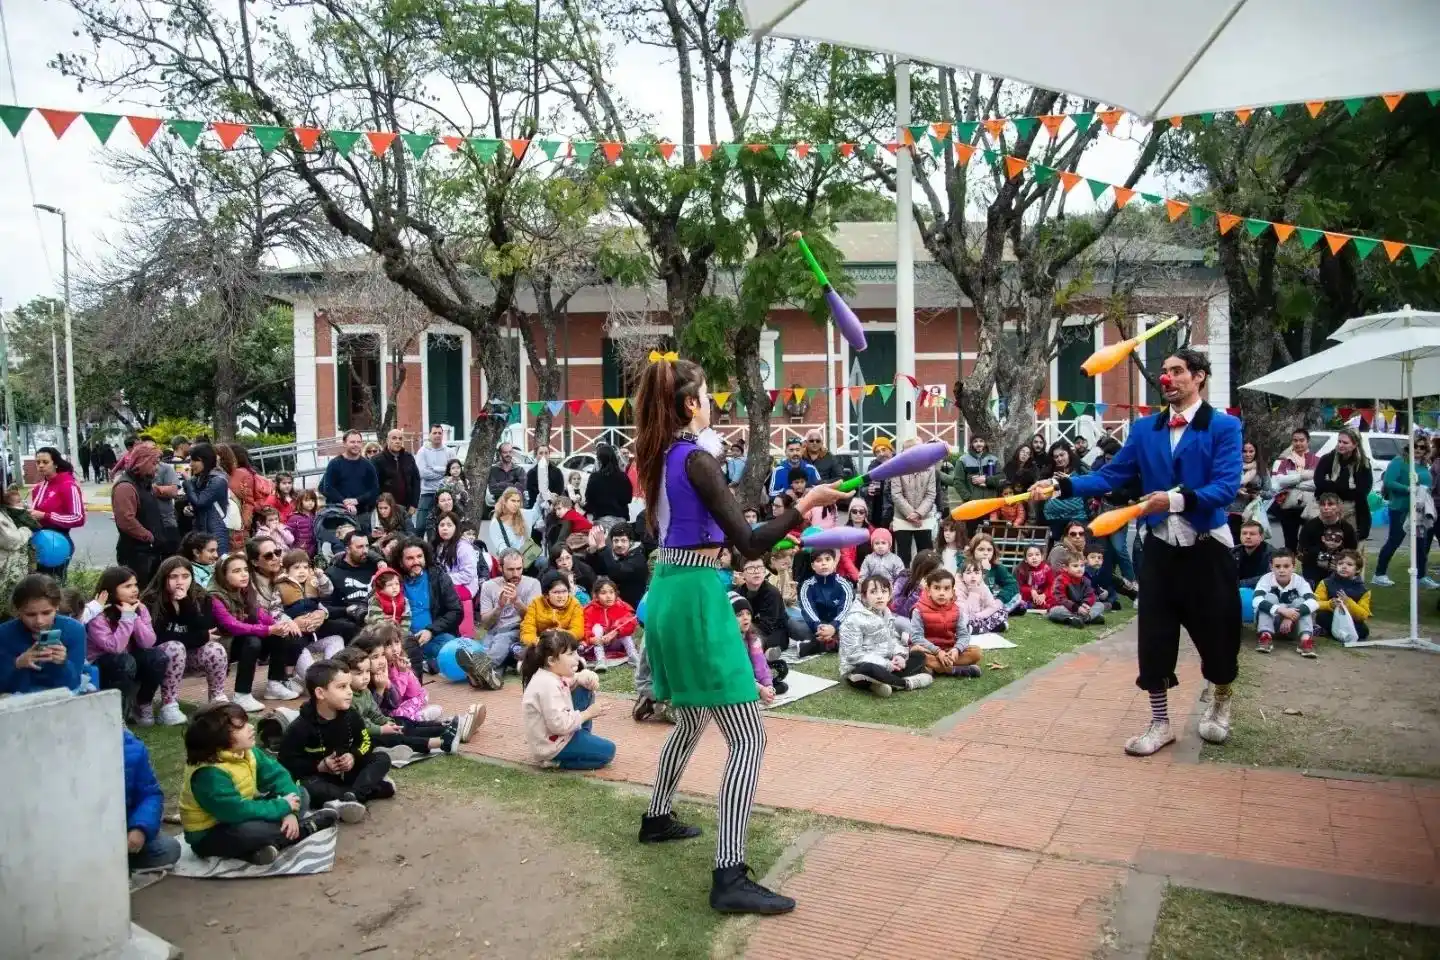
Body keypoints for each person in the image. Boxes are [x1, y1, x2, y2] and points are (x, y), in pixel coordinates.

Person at [631, 355, 845, 914]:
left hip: (672, 588)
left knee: (695, 715)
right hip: (697, 597)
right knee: (747, 736)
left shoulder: (663, 452)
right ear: (689, 404)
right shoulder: (697, 457)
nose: (712, 402)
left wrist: (777, 529)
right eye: (705, 394)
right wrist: (804, 506)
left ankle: (656, 817)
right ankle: (730, 875)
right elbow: (750, 542)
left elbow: (721, 534)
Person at [1033, 348, 1242, 756]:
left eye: (1177, 371)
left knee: (1218, 636)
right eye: (1164, 372)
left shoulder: (1223, 427)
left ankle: (1220, 699)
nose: (1167, 378)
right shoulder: (1145, 429)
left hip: (1207, 549)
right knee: (1154, 638)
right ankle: (1160, 722)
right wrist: (1062, 485)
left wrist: (1175, 500)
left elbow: (1226, 487)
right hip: (1159, 549)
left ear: (1199, 377)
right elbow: (1113, 475)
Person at [180, 701, 343, 864]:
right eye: (242, 726)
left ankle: (262, 849)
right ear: (219, 738)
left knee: (301, 793)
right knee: (249, 833)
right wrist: (282, 807)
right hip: (211, 833)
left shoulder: (248, 751)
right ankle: (307, 828)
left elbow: (278, 776)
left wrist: (288, 812)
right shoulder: (208, 773)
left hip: (243, 813)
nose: (251, 727)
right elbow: (235, 811)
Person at [278, 659, 396, 807]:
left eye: (349, 685)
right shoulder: (300, 727)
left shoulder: (351, 715)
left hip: (347, 773)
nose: (349, 692)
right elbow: (286, 764)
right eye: (342, 687)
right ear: (320, 693)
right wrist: (319, 766)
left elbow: (365, 742)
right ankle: (362, 792)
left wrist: (353, 756)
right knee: (310, 789)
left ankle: (352, 796)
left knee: (382, 758)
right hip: (319, 777)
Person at [331, 646, 469, 756]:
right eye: (359, 674)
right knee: (393, 737)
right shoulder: (348, 697)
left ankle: (446, 730)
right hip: (363, 737)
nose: (366, 677)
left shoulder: (364, 691)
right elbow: (361, 724)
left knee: (401, 723)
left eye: (367, 672)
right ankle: (441, 742)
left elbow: (374, 713)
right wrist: (382, 729)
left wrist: (386, 722)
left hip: (376, 727)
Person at [209, 553, 302, 713]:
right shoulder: (214, 596)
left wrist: (279, 626)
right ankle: (242, 694)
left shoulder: (244, 591)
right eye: (236, 571)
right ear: (223, 575)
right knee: (253, 641)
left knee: (279, 634)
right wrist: (267, 630)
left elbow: (260, 614)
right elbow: (232, 626)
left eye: (245, 569)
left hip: (240, 639)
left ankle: (275, 684)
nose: (244, 574)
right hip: (221, 643)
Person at [145, 555, 223, 720]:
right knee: (175, 647)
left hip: (191, 656)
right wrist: (199, 636)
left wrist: (186, 604)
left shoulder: (202, 597)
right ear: (164, 578)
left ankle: (216, 700)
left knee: (216, 649)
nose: (180, 582)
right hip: (161, 659)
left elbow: (206, 628)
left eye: (185, 576)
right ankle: (169, 705)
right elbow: (157, 637)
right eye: (173, 577)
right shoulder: (152, 600)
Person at [85, 566, 166, 723]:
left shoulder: (139, 608)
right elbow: (115, 647)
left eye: (135, 585)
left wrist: (133, 616)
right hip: (103, 663)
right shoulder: (99, 614)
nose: (134, 590)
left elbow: (148, 642)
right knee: (124, 661)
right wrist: (127, 617)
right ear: (110, 590)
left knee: (158, 657)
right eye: (127, 586)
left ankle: (143, 705)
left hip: (128, 659)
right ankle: (118, 716)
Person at [839, 575, 932, 696]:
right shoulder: (853, 619)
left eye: (884, 591)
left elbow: (893, 640)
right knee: (870, 669)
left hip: (888, 664)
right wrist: (886, 664)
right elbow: (853, 655)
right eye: (873, 592)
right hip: (859, 668)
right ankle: (906, 683)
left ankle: (880, 684)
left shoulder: (886, 613)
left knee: (918, 656)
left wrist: (900, 656)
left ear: (889, 595)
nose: (879, 596)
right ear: (864, 596)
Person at [388, 537, 465, 678]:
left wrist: (431, 631)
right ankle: (425, 664)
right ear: (400, 561)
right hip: (403, 639)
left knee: (460, 652)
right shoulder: (392, 580)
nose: (416, 561)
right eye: (410, 558)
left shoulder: (439, 577)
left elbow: (456, 611)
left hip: (435, 636)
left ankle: (429, 663)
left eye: (419, 556)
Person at [0, 574, 86, 695]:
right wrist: (17, 663)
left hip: (60, 697)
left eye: (46, 613)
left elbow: (73, 683)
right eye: (30, 614)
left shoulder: (73, 630)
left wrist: (63, 663)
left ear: (56, 607)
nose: (39, 621)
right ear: (18, 611)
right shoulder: (4, 634)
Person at [277, 550, 348, 676]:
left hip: (315, 629)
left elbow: (327, 592)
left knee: (341, 634)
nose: (302, 571)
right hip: (295, 633)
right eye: (296, 567)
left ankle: (333, 672)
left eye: (305, 567)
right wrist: (290, 622)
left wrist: (321, 577)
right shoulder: (280, 585)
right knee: (295, 645)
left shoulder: (313, 581)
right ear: (286, 570)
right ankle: (298, 675)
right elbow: (275, 610)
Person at [1374, 435, 1432, 587]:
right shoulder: (1399, 461)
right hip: (1400, 508)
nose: (1418, 449)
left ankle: (1421, 576)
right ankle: (1379, 574)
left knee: (1421, 543)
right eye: (1415, 446)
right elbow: (1389, 481)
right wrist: (1408, 489)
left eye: (1422, 447)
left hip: (1419, 509)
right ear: (1409, 447)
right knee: (1394, 541)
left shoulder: (1424, 465)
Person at [123, 727, 181, 871]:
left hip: (124, 831)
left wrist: (140, 828)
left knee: (169, 849)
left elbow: (150, 794)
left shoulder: (132, 748)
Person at [477, 548, 542, 674]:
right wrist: (499, 606)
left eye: (519, 568)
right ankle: (491, 677)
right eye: (511, 569)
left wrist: (516, 601)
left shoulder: (533, 584)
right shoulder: (488, 586)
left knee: (502, 641)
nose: (516, 574)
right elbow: (485, 625)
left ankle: (481, 670)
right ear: (500, 568)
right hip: (493, 632)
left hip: (517, 630)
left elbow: (535, 619)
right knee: (487, 649)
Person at [908, 568, 981, 677]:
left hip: (949, 650)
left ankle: (936, 668)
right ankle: (955, 670)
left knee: (976, 653)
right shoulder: (918, 610)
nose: (942, 593)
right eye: (937, 588)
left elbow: (964, 635)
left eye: (946, 589)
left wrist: (956, 649)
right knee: (916, 654)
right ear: (928, 591)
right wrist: (938, 652)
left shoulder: (957, 610)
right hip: (928, 651)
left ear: (952, 592)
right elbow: (916, 637)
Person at [29, 447, 85, 580]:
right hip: (38, 541)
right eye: (38, 462)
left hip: (58, 543)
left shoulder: (68, 485)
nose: (41, 465)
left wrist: (46, 516)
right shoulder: (38, 488)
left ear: (55, 463)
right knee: (38, 586)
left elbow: (78, 518)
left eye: (45, 462)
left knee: (55, 586)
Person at [1252, 550, 1318, 656]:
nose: (1281, 570)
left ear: (1293, 566)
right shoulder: (1266, 579)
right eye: (1277, 566)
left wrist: (1290, 617)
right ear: (1271, 567)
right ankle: (1266, 637)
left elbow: (1314, 602)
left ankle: (1305, 641)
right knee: (1269, 597)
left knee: (1301, 601)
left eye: (1286, 566)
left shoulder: (1299, 581)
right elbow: (1256, 600)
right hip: (1272, 623)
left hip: (1292, 628)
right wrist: (1281, 610)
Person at [1314, 426, 1373, 540]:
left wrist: (1333, 486)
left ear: (1355, 445)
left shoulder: (1363, 464)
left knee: (1349, 544)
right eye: (1339, 441)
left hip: (1353, 509)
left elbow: (1362, 491)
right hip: (1328, 506)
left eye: (1345, 443)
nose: (1340, 445)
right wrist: (1345, 489)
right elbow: (1319, 482)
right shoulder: (1328, 459)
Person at [319, 431, 381, 534]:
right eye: (352, 442)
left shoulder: (368, 465)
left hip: (362, 514)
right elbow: (327, 487)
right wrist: (344, 502)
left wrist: (357, 500)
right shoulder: (335, 464)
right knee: (340, 547)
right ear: (344, 443)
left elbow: (374, 490)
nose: (356, 445)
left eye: (358, 442)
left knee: (362, 545)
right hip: (338, 514)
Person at [323, 529, 384, 630]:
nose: (365, 551)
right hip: (350, 624)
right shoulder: (332, 573)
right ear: (347, 549)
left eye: (367, 546)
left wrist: (380, 561)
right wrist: (346, 610)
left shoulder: (374, 566)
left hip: (379, 618)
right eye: (360, 547)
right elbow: (325, 608)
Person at [889, 437, 937, 563]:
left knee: (926, 556)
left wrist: (919, 513)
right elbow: (896, 494)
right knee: (903, 556)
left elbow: (931, 494)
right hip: (902, 518)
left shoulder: (930, 468)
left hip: (924, 518)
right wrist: (911, 514)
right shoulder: (896, 468)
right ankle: (904, 581)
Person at [1272, 428, 1319, 552]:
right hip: (1288, 507)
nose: (1298, 443)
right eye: (1295, 440)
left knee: (1309, 540)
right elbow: (1280, 481)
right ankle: (1289, 567)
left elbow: (1316, 483)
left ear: (1308, 441)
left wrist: (1293, 483)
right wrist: (1303, 476)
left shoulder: (1316, 460)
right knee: (1290, 542)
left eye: (1301, 440)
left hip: (1309, 507)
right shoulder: (1285, 460)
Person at [797, 548, 854, 652]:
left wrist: (833, 626)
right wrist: (818, 626)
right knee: (794, 624)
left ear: (834, 563)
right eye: (819, 560)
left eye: (828, 559)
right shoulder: (807, 585)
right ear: (813, 566)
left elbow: (845, 610)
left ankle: (819, 645)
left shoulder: (844, 584)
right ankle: (832, 642)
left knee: (853, 627)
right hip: (817, 626)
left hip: (839, 625)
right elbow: (808, 610)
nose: (824, 563)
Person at [1298, 492, 1359, 585]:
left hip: (1339, 567)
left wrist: (1339, 558)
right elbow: (1303, 549)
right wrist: (1322, 554)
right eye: (1323, 504)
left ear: (1338, 507)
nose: (1326, 508)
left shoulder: (1347, 528)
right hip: (1314, 567)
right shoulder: (1310, 526)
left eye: (1330, 504)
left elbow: (1352, 551)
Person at [1315, 549, 1372, 645]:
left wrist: (1348, 602)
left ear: (1357, 569)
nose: (1344, 567)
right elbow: (1315, 603)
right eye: (1340, 564)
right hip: (1331, 616)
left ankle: (1334, 633)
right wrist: (1330, 604)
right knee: (1322, 616)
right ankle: (1334, 632)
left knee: (1363, 630)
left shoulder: (1364, 590)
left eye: (1349, 565)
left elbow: (1363, 615)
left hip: (1350, 619)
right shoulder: (1326, 582)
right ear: (1336, 566)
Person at [520, 569, 586, 652]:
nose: (561, 596)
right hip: (541, 646)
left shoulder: (574, 604)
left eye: (564, 591)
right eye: (556, 592)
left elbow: (578, 631)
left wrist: (557, 637)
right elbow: (527, 631)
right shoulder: (535, 604)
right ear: (546, 595)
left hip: (565, 644)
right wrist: (539, 642)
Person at [581, 577, 639, 669]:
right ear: (595, 595)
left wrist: (615, 632)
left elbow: (631, 621)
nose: (608, 596)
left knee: (623, 627)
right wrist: (591, 639)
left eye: (611, 592)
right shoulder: (589, 609)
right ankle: (600, 659)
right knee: (597, 627)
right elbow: (584, 628)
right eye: (603, 593)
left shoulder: (622, 606)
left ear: (616, 594)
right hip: (597, 644)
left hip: (617, 644)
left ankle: (633, 655)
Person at [589, 523, 649, 610]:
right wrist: (593, 549)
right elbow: (598, 569)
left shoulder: (638, 558)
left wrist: (602, 547)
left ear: (631, 542)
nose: (619, 544)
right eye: (616, 541)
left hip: (632, 610)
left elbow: (616, 572)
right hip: (615, 607)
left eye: (623, 540)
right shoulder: (615, 555)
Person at [183, 442, 231, 544]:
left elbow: (200, 502)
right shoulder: (200, 478)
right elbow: (197, 503)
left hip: (216, 532)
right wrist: (189, 508)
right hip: (202, 531)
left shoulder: (218, 480)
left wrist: (188, 482)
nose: (191, 464)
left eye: (194, 460)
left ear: (205, 460)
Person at [0, 484, 35, 618]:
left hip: (11, 571)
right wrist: (26, 530)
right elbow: (12, 540)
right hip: (6, 572)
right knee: (9, 610)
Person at [967, 533, 1024, 615]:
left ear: (994, 552)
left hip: (990, 602)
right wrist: (985, 571)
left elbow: (1013, 585)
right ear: (973, 551)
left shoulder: (997, 567)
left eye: (989, 550)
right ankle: (994, 614)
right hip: (971, 602)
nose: (985, 553)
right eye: (981, 549)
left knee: (1017, 597)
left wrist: (1000, 600)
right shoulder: (966, 566)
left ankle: (996, 611)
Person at [1046, 551, 1106, 627]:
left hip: (1081, 607)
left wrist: (1086, 604)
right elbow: (1060, 599)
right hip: (1067, 607)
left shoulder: (1085, 580)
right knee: (1055, 611)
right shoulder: (1060, 579)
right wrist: (1076, 608)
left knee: (1100, 605)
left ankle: (1081, 618)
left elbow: (1091, 595)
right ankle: (1088, 618)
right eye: (1075, 566)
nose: (1079, 569)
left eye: (1082, 566)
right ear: (1065, 568)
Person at [371, 428, 421, 521]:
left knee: (406, 534)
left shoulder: (408, 458)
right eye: (394, 438)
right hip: (385, 508)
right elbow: (373, 485)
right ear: (387, 440)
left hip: (406, 508)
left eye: (400, 439)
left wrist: (414, 504)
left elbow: (416, 481)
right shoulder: (377, 460)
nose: (397, 441)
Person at [1226, 440, 1270, 543]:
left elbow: (1270, 492)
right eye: (1244, 451)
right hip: (1232, 512)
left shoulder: (1261, 469)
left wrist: (1257, 493)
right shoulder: (1231, 467)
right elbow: (1223, 488)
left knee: (1252, 544)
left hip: (1253, 513)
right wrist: (1236, 490)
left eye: (1251, 451)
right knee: (1234, 544)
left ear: (1256, 452)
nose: (1248, 454)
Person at [582, 444, 633, 529]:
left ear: (599, 460)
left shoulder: (595, 477)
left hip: (601, 519)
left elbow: (589, 499)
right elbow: (628, 499)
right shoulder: (623, 476)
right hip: (620, 519)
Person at [486, 486, 538, 567]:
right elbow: (501, 547)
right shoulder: (496, 523)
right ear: (504, 502)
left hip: (528, 556)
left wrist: (542, 496)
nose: (516, 504)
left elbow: (536, 512)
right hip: (510, 561)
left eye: (518, 501)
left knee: (543, 562)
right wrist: (515, 559)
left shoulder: (523, 514)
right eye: (513, 501)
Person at [415, 424, 453, 532]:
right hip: (427, 493)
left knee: (439, 527)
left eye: (440, 433)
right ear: (430, 435)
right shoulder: (422, 452)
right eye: (434, 433)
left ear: (443, 435)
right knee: (421, 526)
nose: (437, 435)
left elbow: (453, 472)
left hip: (444, 494)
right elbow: (422, 473)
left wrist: (433, 469)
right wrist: (443, 472)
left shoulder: (449, 452)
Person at [957, 561, 1009, 633]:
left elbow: (992, 606)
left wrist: (980, 615)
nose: (973, 576)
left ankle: (976, 629)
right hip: (966, 617)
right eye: (968, 573)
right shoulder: (958, 588)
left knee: (1001, 610)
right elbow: (963, 610)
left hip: (981, 615)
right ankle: (989, 627)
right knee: (960, 619)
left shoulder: (983, 587)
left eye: (977, 573)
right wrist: (973, 593)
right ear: (962, 577)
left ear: (982, 576)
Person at [525, 442, 566, 513]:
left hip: (554, 509)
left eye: (546, 453)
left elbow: (559, 492)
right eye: (541, 453)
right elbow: (531, 494)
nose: (544, 455)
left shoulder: (557, 472)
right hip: (535, 509)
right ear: (536, 456)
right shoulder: (531, 474)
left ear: (549, 455)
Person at [486, 442, 527, 512]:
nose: (508, 454)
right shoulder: (493, 470)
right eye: (505, 452)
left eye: (510, 452)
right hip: (500, 509)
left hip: (517, 509)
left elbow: (521, 488)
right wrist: (512, 485)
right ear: (500, 453)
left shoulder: (519, 470)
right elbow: (493, 489)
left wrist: (501, 484)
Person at [864, 437, 895, 527]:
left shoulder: (899, 464)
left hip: (894, 514)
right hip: (876, 513)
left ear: (891, 450)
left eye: (883, 449)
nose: (881, 454)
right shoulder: (873, 466)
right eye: (877, 452)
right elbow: (862, 487)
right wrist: (867, 490)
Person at [1233, 521, 1274, 589]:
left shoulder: (1272, 554)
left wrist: (1239, 584)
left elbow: (1270, 577)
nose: (1248, 536)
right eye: (1244, 533)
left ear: (1261, 537)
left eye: (1252, 534)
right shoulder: (1234, 551)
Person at [1014, 543, 1054, 612]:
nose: (1034, 557)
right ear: (1025, 559)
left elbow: (1051, 585)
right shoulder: (1021, 570)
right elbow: (1018, 586)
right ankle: (1029, 604)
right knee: (1018, 599)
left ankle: (1041, 604)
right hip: (1027, 595)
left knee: (1054, 598)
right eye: (1030, 555)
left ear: (1042, 557)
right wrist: (1031, 591)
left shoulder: (1047, 569)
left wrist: (1044, 595)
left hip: (1042, 595)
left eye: (1037, 554)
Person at [286, 489, 321, 557]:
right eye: (307, 500)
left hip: (314, 552)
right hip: (299, 553)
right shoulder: (294, 518)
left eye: (313, 500)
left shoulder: (315, 516)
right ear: (300, 501)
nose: (311, 503)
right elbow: (288, 537)